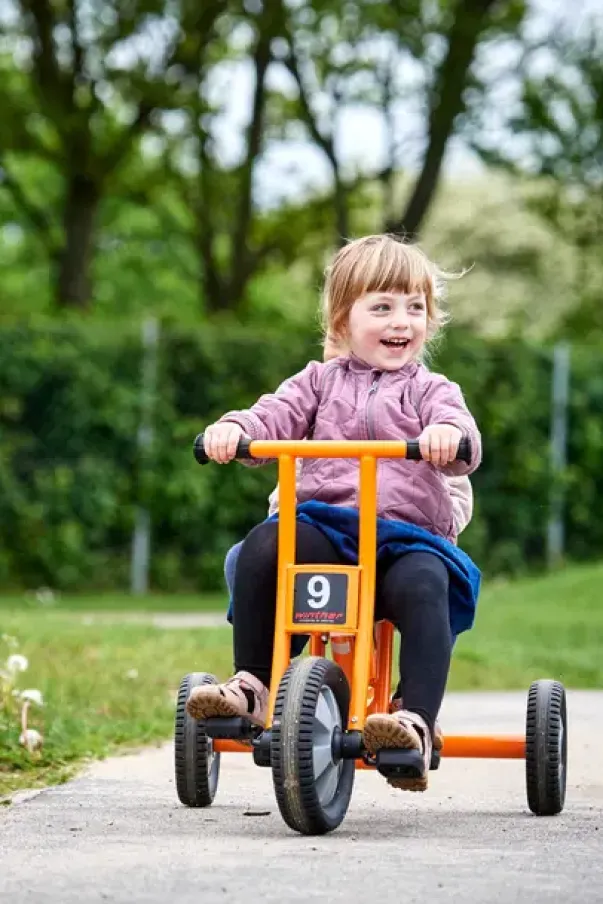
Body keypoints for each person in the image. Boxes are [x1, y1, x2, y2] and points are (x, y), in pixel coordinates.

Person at [187, 234, 482, 792]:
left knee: (427, 583)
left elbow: (461, 430)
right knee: (266, 546)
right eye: (383, 306)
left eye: (415, 307)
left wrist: (449, 435)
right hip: (327, 527)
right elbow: (274, 413)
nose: (403, 320)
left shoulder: (430, 390)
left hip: (404, 538)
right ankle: (253, 686)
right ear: (342, 320)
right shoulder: (318, 383)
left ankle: (412, 720)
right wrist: (237, 429)